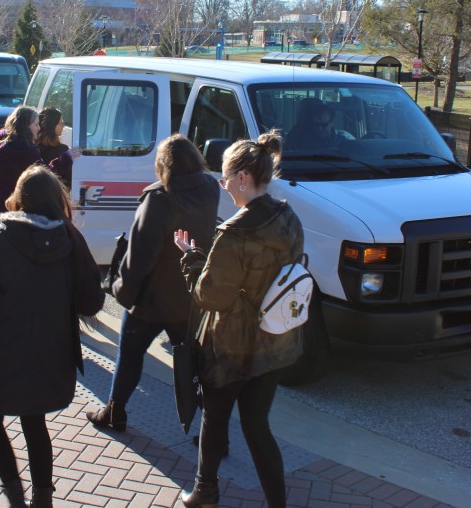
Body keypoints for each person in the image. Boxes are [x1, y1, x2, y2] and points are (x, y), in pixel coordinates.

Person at [173, 131, 304, 508]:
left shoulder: (233, 235)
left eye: (227, 176)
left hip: (232, 345)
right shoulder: (288, 218)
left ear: (244, 179)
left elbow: (210, 295)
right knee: (257, 425)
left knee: (215, 418)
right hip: (274, 341)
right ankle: (277, 502)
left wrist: (191, 259)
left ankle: (205, 491)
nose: (222, 182)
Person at [0, 165, 105, 507]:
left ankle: (15, 496)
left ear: (19, 198)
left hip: (1, 350)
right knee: (34, 421)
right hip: (51, 353)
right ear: (57, 201)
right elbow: (92, 302)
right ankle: (43, 499)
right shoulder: (71, 239)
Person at [86, 134, 219, 432]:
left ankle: (115, 412)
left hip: (150, 300)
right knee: (194, 364)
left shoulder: (159, 199)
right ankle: (213, 432)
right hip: (189, 294)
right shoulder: (210, 188)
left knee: (130, 355)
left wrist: (122, 291)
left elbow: (139, 258)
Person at [0, 106, 73, 228]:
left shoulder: (0, 141)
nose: (39, 128)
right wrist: (66, 158)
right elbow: (46, 175)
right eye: (36, 124)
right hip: (12, 209)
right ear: (25, 125)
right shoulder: (27, 150)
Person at [284, 98, 353, 150]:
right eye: (316, 124)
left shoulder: (345, 139)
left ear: (332, 123)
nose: (319, 128)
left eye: (324, 125)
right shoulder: (305, 142)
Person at [36, 107, 72, 189]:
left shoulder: (34, 147)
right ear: (52, 125)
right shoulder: (62, 150)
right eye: (60, 122)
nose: (63, 125)